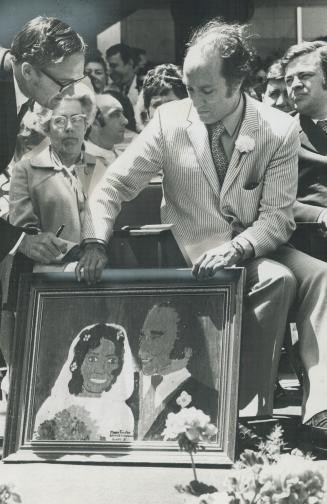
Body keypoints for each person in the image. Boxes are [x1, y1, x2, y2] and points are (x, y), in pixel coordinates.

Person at [76, 18, 327, 448]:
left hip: (256, 241)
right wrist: (95, 241)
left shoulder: (278, 130)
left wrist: (238, 248)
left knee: (321, 275)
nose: (195, 101)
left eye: (206, 91)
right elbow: (113, 185)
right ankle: (250, 414)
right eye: (190, 89)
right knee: (277, 279)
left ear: (238, 83)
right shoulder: (169, 121)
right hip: (190, 249)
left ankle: (320, 404)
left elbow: (277, 220)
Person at [0, 15, 87, 264]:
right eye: (64, 83)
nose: (71, 93)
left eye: (76, 81)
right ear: (28, 71)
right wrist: (19, 241)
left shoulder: (16, 73)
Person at [9, 91, 103, 265]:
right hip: (47, 276)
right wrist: (75, 252)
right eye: (60, 120)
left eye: (76, 119)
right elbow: (25, 235)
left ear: (86, 124)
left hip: (98, 272)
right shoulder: (26, 170)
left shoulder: (101, 168)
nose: (69, 127)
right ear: (47, 127)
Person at [34, 323, 135, 442]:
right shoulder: (54, 404)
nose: (100, 369)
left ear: (119, 367)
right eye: (92, 359)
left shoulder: (121, 413)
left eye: (111, 361)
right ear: (79, 361)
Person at [138, 301, 218, 440]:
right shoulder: (124, 389)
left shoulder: (209, 400)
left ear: (185, 346)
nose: (141, 350)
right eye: (142, 337)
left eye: (155, 338)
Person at [282, 41, 327, 260]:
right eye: (289, 79)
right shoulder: (280, 133)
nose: (295, 85)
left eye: (305, 75)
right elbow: (272, 200)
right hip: (312, 241)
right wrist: (321, 215)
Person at [85, 93, 128, 165]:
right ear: (93, 121)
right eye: (115, 115)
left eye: (122, 114)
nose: (125, 121)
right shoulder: (79, 162)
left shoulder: (125, 157)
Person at [106, 43, 139, 108]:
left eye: (114, 66)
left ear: (130, 63)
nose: (109, 72)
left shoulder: (146, 89)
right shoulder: (108, 90)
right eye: (110, 66)